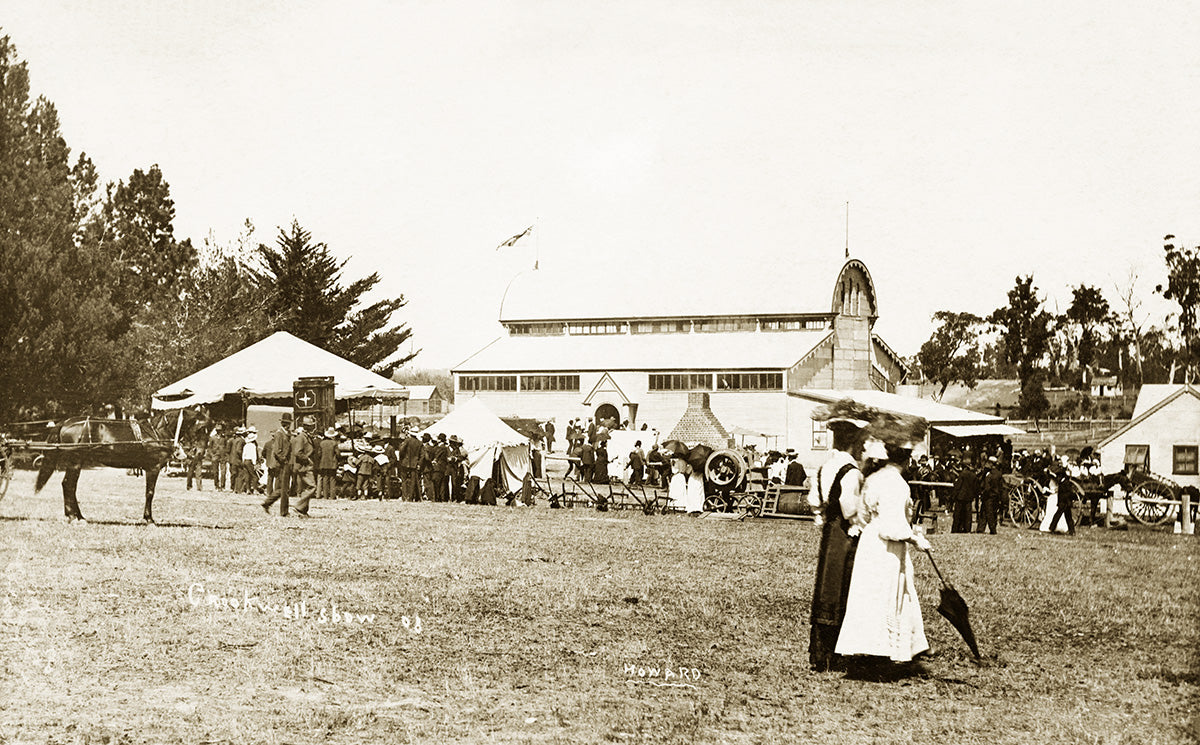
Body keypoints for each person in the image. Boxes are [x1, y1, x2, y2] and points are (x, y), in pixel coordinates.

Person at [835, 411, 932, 664]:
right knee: (888, 594)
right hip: (886, 548)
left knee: (869, 595)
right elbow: (892, 527)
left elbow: (864, 515)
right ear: (907, 460)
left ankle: (866, 649)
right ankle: (886, 652)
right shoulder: (897, 484)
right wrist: (915, 539)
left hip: (869, 542)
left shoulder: (873, 478)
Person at [808, 399, 870, 672]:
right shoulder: (851, 472)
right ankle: (838, 653)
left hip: (828, 533)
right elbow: (849, 508)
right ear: (853, 441)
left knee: (825, 586)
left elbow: (814, 499)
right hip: (844, 533)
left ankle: (820, 652)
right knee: (842, 586)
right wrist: (863, 522)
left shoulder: (825, 466)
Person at [265, 413, 292, 504]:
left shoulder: (285, 434)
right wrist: (284, 460)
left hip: (284, 462)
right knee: (283, 488)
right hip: (281, 463)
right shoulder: (279, 434)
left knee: (284, 487)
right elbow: (277, 450)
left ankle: (269, 503)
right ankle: (269, 503)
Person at [290, 420, 315, 516]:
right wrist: (307, 459)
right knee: (312, 487)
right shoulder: (301, 437)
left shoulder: (305, 436)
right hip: (304, 466)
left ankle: (303, 511)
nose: (312, 427)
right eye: (311, 425)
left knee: (306, 487)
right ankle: (299, 506)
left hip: (305, 466)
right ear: (306, 426)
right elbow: (297, 452)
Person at [950, 455, 979, 533]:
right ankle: (967, 529)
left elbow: (958, 486)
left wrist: (954, 496)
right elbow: (975, 487)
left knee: (957, 513)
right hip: (969, 497)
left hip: (960, 496)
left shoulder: (962, 474)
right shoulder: (974, 475)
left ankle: (955, 529)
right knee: (968, 514)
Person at [977, 456, 1003, 534]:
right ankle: (981, 528)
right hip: (996, 496)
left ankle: (992, 530)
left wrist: (982, 493)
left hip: (988, 496)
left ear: (991, 463)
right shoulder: (999, 474)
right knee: (991, 512)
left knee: (987, 512)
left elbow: (987, 487)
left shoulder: (989, 474)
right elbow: (1001, 486)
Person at [1048, 469, 1079, 535]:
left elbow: (1068, 493)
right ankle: (1071, 531)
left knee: (1060, 516)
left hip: (1065, 502)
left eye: (1058, 476)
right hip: (1064, 502)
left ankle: (1052, 528)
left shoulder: (1066, 483)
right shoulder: (1062, 482)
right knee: (1066, 517)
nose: (1057, 478)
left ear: (1061, 476)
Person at [317, 428, 339, 499]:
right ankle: (332, 495)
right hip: (332, 463)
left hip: (323, 463)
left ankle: (325, 496)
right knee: (332, 479)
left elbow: (319, 454)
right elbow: (338, 453)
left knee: (325, 479)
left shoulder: (322, 443)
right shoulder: (334, 443)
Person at [240, 427, 260, 497]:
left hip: (245, 460)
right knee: (254, 476)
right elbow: (253, 455)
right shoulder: (253, 446)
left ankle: (248, 489)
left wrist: (243, 461)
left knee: (247, 475)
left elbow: (243, 454)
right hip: (250, 461)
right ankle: (255, 489)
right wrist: (254, 464)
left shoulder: (246, 445)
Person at [228, 427, 246, 493]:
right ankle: (238, 489)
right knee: (240, 474)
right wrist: (243, 456)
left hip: (232, 460)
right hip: (238, 460)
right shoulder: (242, 440)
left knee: (233, 474)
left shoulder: (233, 440)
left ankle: (233, 488)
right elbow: (239, 450)